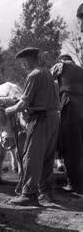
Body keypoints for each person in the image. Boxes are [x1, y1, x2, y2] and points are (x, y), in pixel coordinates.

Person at [5, 47, 60, 206]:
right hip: (53, 118)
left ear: (28, 60)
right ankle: (47, 193)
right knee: (48, 157)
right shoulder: (47, 73)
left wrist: (11, 109)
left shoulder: (34, 74)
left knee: (32, 156)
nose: (22, 65)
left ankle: (29, 194)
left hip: (41, 119)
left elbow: (25, 102)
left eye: (23, 62)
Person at [50, 53, 83, 193]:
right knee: (80, 144)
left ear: (61, 60)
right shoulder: (80, 69)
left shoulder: (60, 65)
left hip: (69, 104)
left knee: (69, 144)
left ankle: (73, 184)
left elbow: (45, 78)